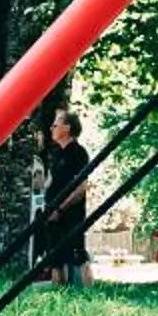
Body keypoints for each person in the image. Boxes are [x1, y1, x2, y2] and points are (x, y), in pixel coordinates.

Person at [40, 112, 91, 286]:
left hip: (71, 213)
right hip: (51, 212)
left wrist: (61, 209)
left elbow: (81, 187)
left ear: (67, 128)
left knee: (78, 255)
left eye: (55, 125)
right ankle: (58, 296)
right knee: (55, 258)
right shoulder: (55, 154)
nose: (51, 128)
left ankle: (90, 294)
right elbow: (50, 182)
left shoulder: (78, 153)